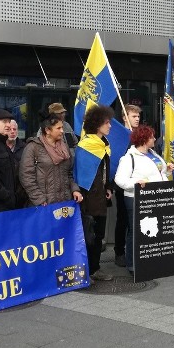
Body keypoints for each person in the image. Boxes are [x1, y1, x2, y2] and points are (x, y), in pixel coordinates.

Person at [114, 125, 171, 273]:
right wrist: (136, 183)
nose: (154, 139)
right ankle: (132, 263)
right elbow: (119, 180)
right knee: (135, 230)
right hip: (135, 198)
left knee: (154, 229)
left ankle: (151, 259)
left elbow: (159, 171)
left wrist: (167, 170)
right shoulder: (129, 158)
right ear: (144, 139)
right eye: (152, 136)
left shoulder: (153, 153)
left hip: (155, 196)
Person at [76, 105, 115, 281]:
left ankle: (95, 268)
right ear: (97, 124)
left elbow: (104, 170)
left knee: (98, 235)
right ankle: (86, 271)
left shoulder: (104, 145)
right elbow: (83, 176)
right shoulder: (86, 145)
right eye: (107, 123)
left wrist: (108, 187)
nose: (110, 126)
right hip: (89, 198)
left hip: (100, 197)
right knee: (88, 236)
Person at [19, 113, 83, 207]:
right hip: (43, 204)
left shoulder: (64, 147)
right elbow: (26, 177)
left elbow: (69, 173)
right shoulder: (33, 147)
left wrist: (75, 190)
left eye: (62, 128)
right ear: (47, 130)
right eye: (58, 128)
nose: (62, 131)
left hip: (64, 202)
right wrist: (39, 199)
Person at [113, 104, 140, 267]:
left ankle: (133, 250)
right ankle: (119, 252)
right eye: (133, 116)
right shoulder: (118, 135)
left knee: (135, 220)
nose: (137, 119)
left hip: (139, 184)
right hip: (123, 184)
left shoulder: (139, 135)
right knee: (123, 218)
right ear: (125, 118)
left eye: (138, 116)